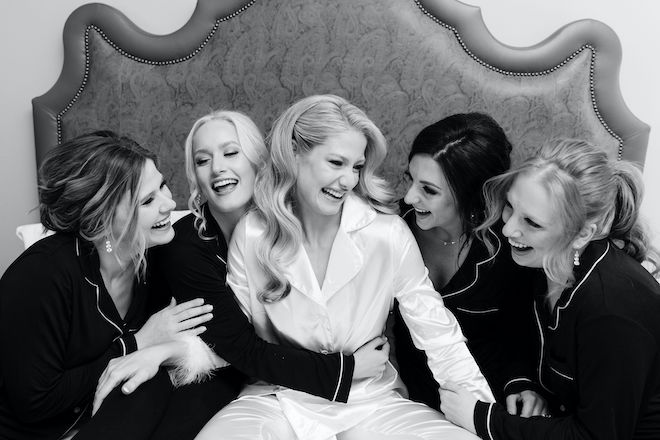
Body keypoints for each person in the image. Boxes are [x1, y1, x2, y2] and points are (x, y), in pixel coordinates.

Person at [195, 95, 494, 440]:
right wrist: (156, 348)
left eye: (356, 167)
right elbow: (237, 340)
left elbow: (438, 334)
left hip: (372, 402)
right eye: (336, 162)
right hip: (277, 399)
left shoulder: (387, 233)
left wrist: (481, 415)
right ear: (294, 153)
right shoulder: (253, 233)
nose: (349, 180)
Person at [92, 110, 390, 440]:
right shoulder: (186, 247)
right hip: (211, 368)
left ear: (259, 161)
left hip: (265, 374)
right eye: (203, 160)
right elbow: (239, 347)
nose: (218, 168)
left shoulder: (305, 219)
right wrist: (345, 370)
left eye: (231, 153)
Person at [439, 139, 660, 440]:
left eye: (531, 222)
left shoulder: (611, 310)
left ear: (582, 233)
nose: (508, 229)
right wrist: (522, 383)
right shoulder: (538, 262)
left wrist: (485, 420)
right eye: (510, 207)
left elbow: (597, 436)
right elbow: (514, 338)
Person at [0, 131, 213, 439]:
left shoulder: (158, 257)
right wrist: (137, 343)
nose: (170, 203)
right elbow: (35, 403)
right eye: (148, 201)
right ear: (102, 220)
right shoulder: (41, 275)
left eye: (163, 186)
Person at [394, 113, 546, 414]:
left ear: (470, 194)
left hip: (481, 401)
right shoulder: (393, 228)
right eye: (410, 179)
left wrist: (521, 384)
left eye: (429, 190)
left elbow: (521, 333)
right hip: (400, 400)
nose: (410, 197)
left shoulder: (509, 247)